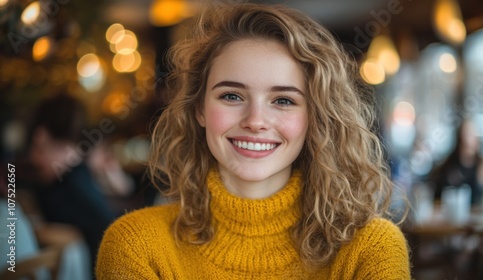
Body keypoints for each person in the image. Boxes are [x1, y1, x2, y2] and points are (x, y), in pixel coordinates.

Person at [96, 3, 411, 279]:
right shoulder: (137, 244)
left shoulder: (371, 247)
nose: (255, 121)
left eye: (284, 100)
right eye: (231, 96)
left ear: (315, 117)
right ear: (199, 109)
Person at [27, 94, 116, 276]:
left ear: (41, 137)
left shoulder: (67, 189)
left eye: (36, 149)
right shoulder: (75, 177)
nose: (33, 157)